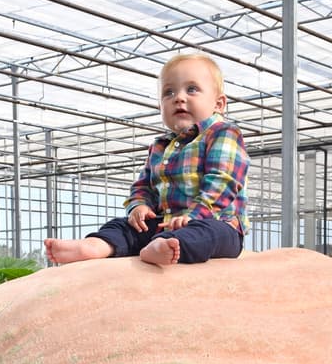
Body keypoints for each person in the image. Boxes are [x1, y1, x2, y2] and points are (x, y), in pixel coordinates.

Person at [45, 52, 249, 267]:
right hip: (166, 223)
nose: (179, 97)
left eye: (192, 89)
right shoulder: (160, 146)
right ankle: (97, 245)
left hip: (216, 222)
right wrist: (139, 206)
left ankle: (165, 246)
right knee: (124, 226)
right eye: (168, 92)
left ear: (219, 104)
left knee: (206, 234)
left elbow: (223, 181)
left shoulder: (223, 133)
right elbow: (143, 185)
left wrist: (195, 215)